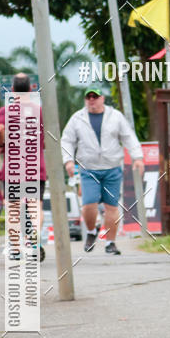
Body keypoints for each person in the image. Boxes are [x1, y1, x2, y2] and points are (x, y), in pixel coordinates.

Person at [61, 88, 145, 256]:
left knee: (112, 206)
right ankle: (92, 231)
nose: (91, 100)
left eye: (95, 96)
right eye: (88, 97)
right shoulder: (77, 118)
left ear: (102, 98)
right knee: (89, 204)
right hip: (88, 169)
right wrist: (68, 161)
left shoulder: (115, 116)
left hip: (112, 168)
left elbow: (128, 136)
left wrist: (138, 157)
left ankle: (110, 243)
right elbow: (67, 140)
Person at [0, 72, 47, 261]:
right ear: (31, 89)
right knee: (34, 206)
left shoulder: (5, 111)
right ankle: (33, 242)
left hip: (13, 169)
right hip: (34, 167)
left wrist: (2, 144)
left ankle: (15, 249)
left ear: (13, 89)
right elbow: (46, 137)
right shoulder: (38, 110)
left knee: (14, 207)